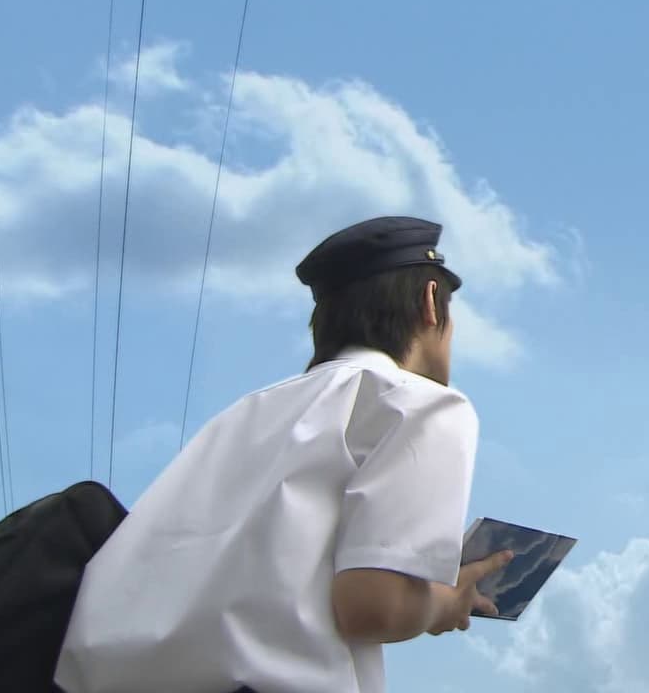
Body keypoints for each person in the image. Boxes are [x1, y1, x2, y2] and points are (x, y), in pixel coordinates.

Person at [54, 216, 512, 693]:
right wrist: (446, 602)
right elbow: (372, 606)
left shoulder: (244, 413)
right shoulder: (424, 404)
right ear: (430, 303)